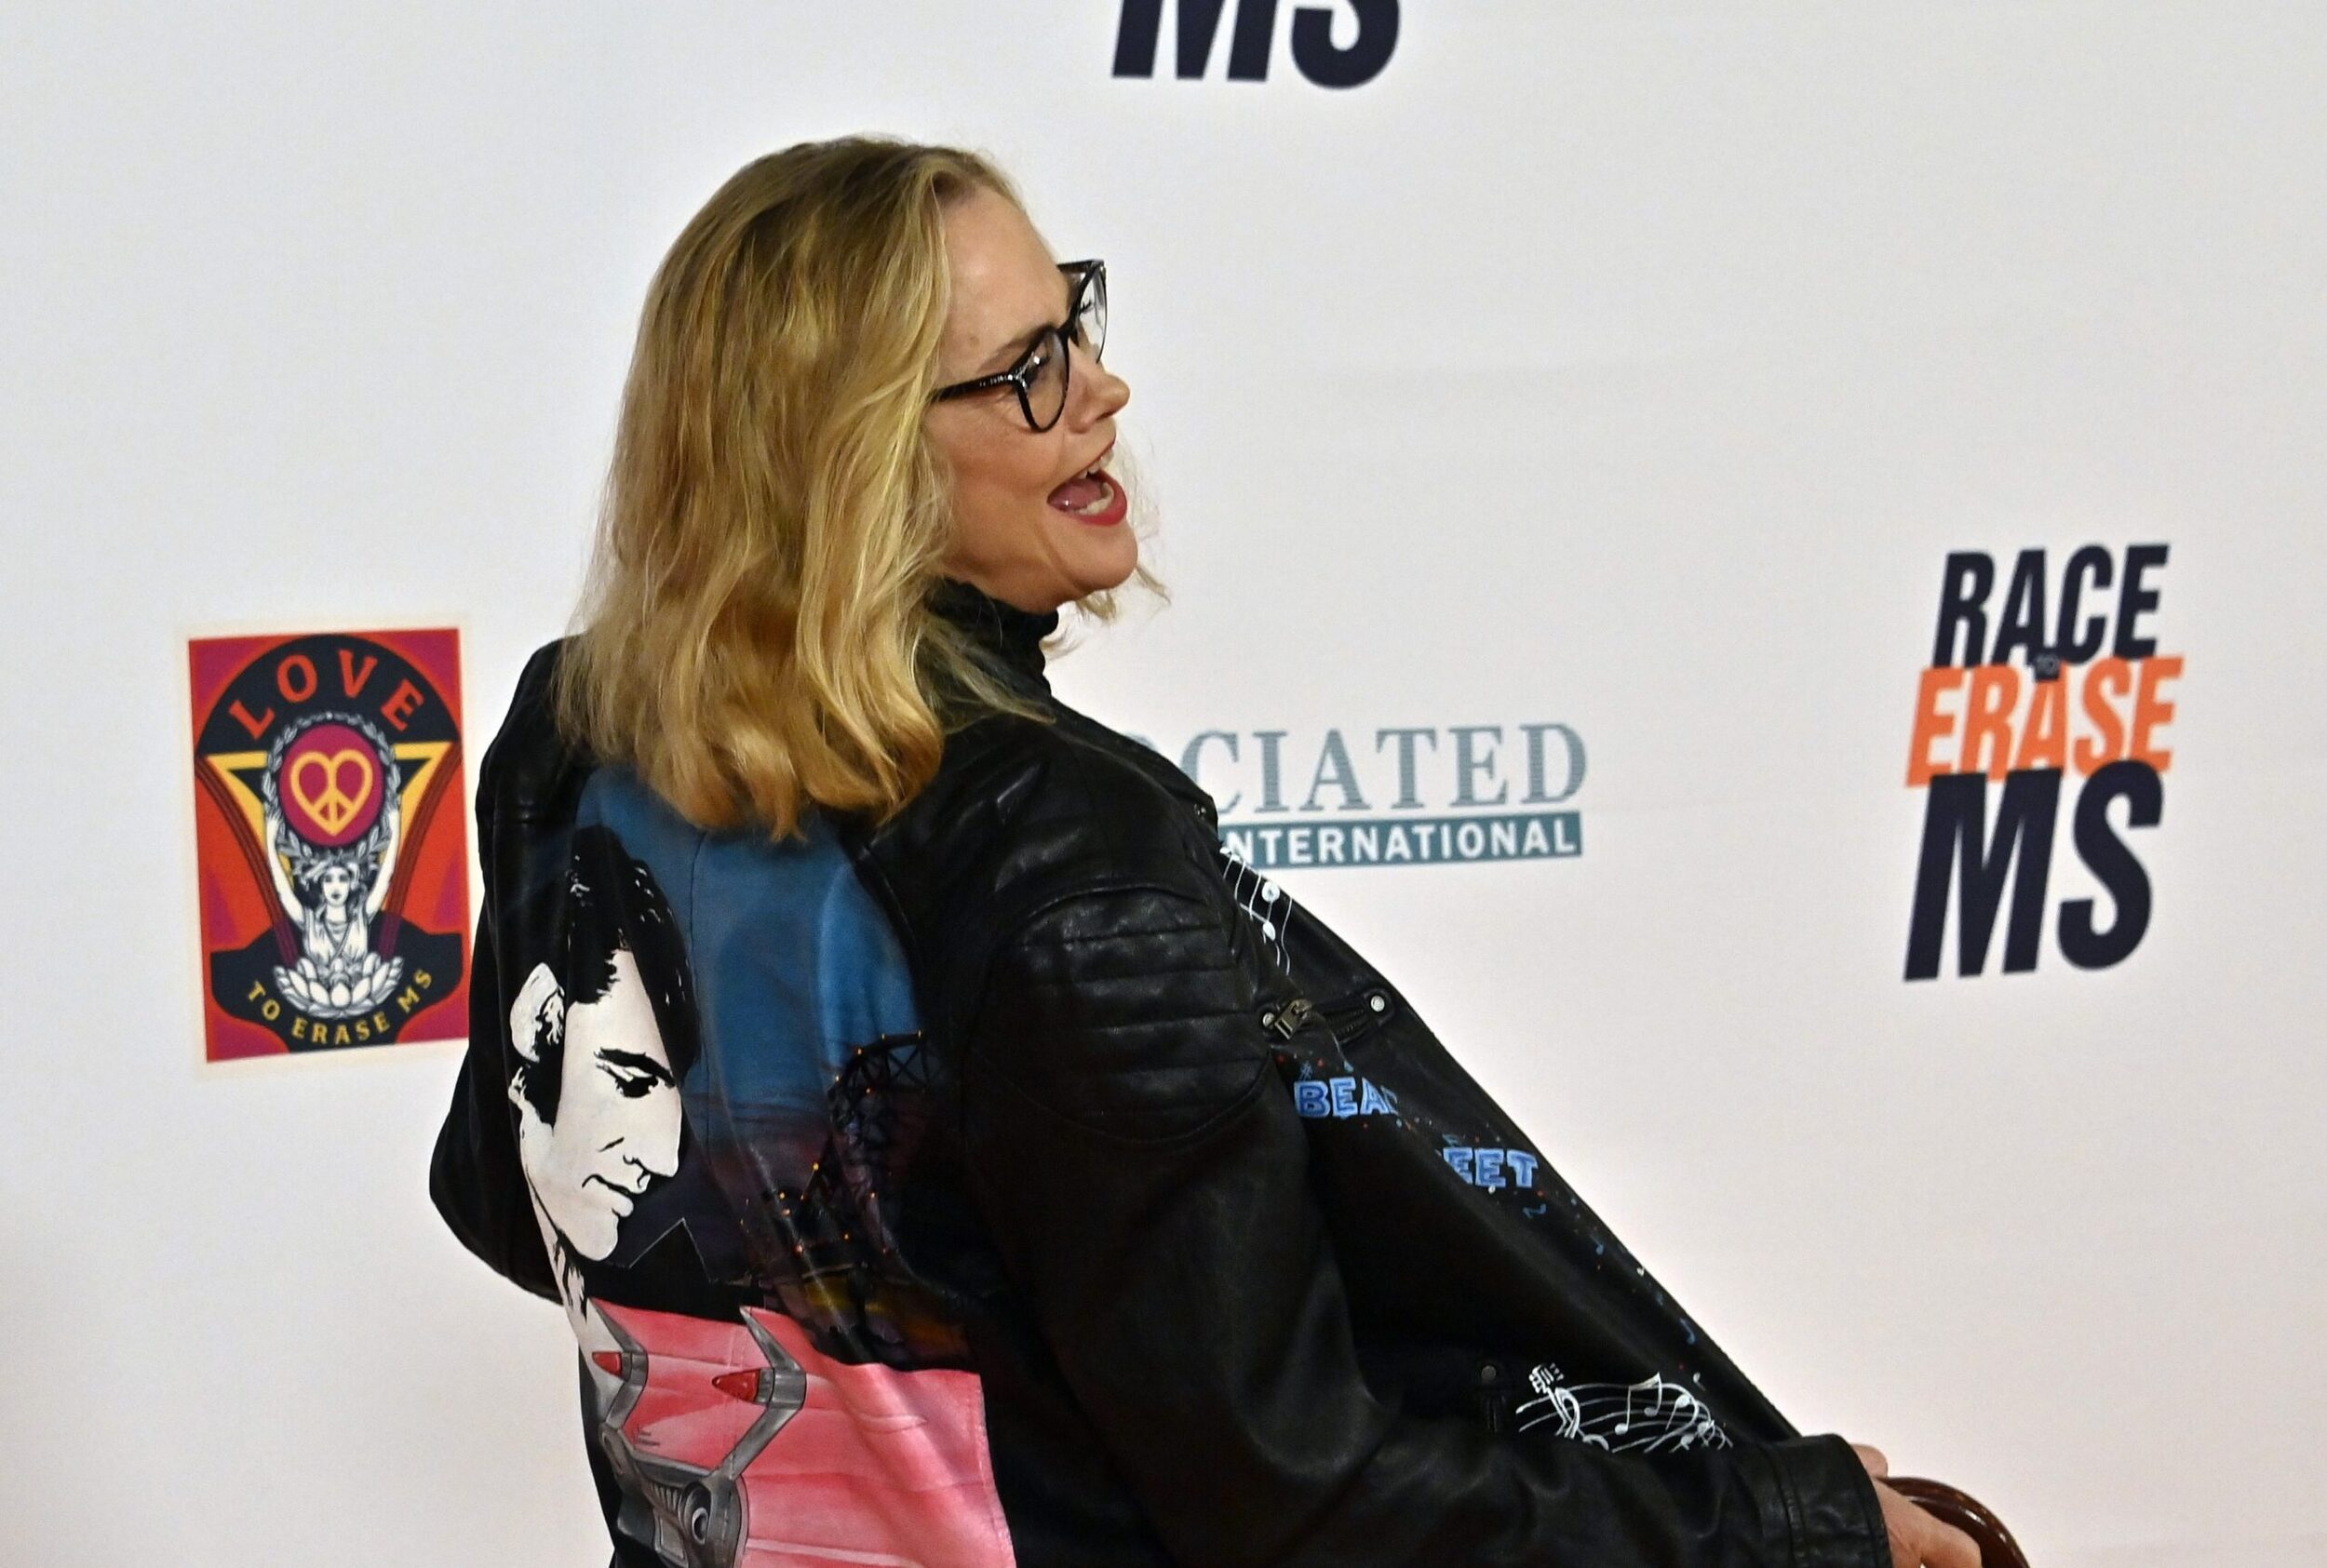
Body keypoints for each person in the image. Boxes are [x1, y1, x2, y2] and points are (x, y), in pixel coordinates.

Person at [430, 135, 1981, 1568]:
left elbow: (515, 1201)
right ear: (859, 461)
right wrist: (1778, 1524)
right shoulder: (1068, 856)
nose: (1101, 392)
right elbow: (1289, 1499)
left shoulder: (575, 735)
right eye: (1028, 372)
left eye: (1075, 325)